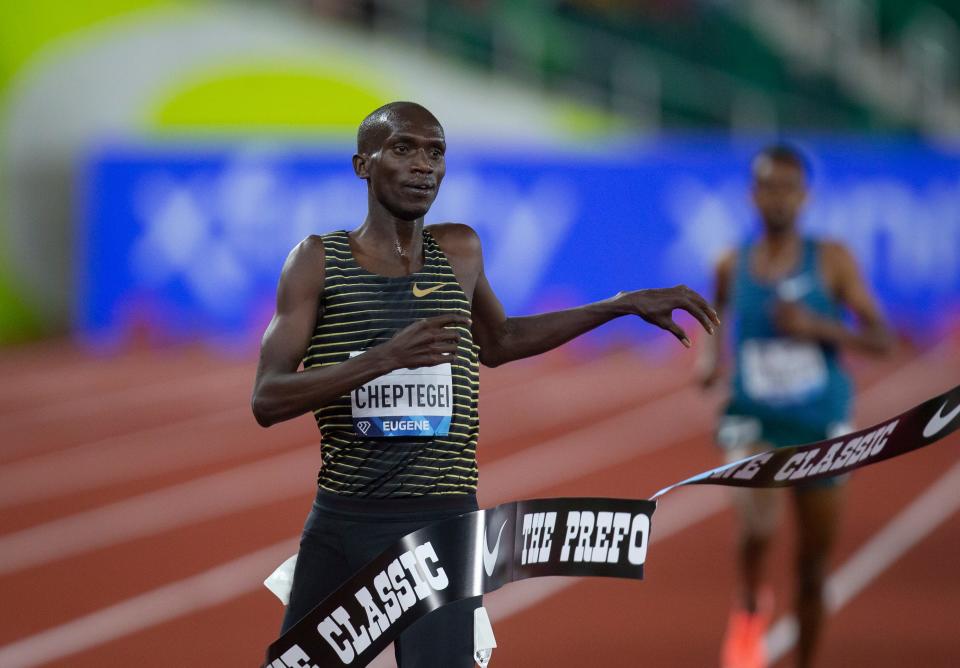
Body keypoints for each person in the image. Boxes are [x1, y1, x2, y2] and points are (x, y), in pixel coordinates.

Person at [251, 100, 719, 667]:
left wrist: (617, 306)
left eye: (436, 152)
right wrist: (382, 359)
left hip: (444, 524)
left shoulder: (460, 251)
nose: (423, 165)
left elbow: (500, 342)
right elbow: (268, 398)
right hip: (345, 522)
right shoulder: (318, 261)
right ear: (362, 165)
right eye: (403, 148)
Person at [699, 145, 893, 668]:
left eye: (788, 188)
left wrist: (817, 327)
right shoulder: (731, 263)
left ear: (804, 195)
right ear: (752, 194)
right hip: (754, 415)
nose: (778, 198)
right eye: (768, 187)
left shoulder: (831, 259)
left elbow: (882, 339)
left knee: (812, 567)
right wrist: (710, 360)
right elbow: (713, 319)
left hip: (819, 422)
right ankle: (748, 604)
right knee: (757, 523)